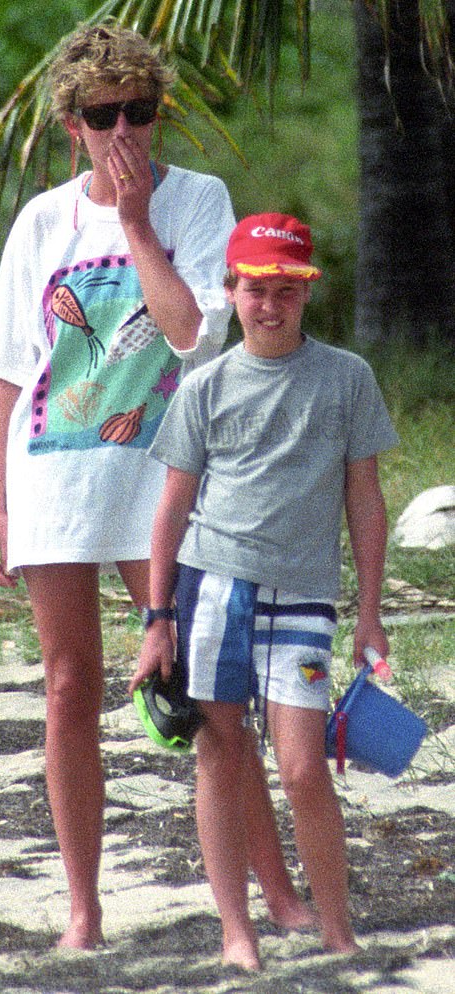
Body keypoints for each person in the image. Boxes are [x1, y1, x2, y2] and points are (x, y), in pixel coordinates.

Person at [0, 26, 310, 949]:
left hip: (161, 479)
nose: (123, 130)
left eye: (140, 111)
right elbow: (12, 372)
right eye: (101, 115)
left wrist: (132, 223)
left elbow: (194, 335)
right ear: (71, 125)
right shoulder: (42, 220)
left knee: (208, 690)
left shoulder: (197, 201)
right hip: (55, 476)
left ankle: (276, 894)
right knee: (68, 685)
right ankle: (83, 909)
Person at [130, 212, 399, 969]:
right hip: (211, 589)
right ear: (230, 291)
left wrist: (369, 612)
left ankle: (337, 927)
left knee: (305, 768)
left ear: (307, 292)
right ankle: (236, 932)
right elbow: (172, 508)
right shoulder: (206, 384)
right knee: (219, 752)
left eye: (285, 290)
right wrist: (158, 619)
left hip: (305, 596)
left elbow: (366, 500)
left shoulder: (348, 377)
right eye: (255, 290)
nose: (270, 305)